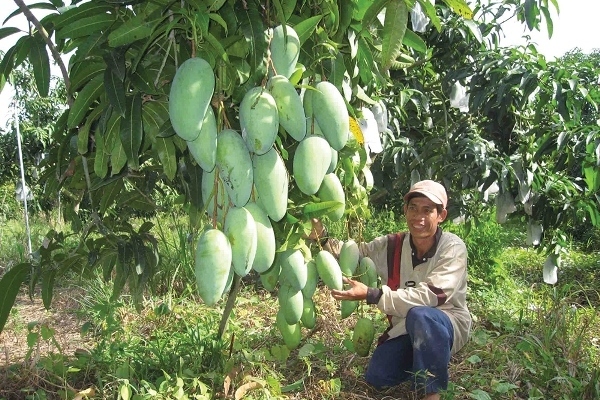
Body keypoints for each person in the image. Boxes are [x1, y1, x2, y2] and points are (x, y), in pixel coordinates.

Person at [312, 180, 471, 400]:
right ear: (405, 210)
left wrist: (372, 294)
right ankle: (422, 357)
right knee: (379, 376)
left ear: (441, 215)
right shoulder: (393, 245)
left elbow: (431, 296)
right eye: (413, 208)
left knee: (421, 315)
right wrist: (322, 236)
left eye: (427, 210)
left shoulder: (452, 248)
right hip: (406, 325)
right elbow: (356, 253)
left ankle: (431, 392)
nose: (419, 217)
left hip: (446, 321)